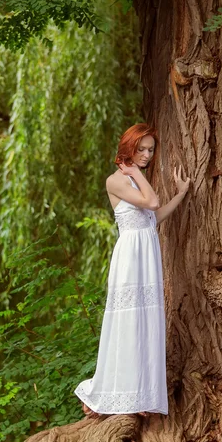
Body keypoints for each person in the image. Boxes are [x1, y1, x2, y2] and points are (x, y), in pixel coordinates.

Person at [74, 123, 190, 417]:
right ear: (129, 148)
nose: (147, 155)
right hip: (129, 259)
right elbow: (152, 202)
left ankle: (141, 396)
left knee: (146, 321)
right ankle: (110, 394)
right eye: (141, 149)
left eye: (151, 150)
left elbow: (152, 218)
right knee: (127, 323)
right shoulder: (116, 181)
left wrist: (180, 194)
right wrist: (135, 170)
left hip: (147, 255)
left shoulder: (136, 181)